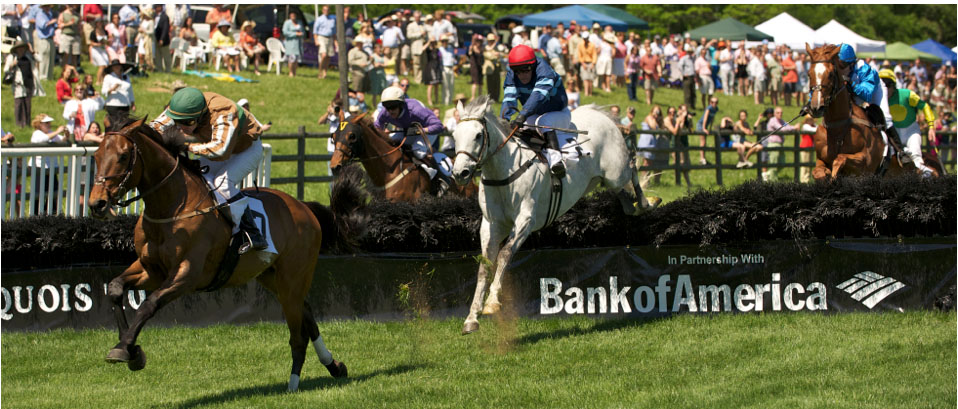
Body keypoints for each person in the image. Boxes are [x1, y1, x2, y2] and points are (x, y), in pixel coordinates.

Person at [150, 87, 267, 253]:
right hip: (216, 146)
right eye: (177, 122)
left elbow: (220, 150)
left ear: (201, 116)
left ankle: (252, 233)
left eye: (188, 123)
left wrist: (187, 146)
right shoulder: (181, 106)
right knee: (200, 181)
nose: (181, 128)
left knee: (222, 183)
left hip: (245, 149)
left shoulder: (223, 111)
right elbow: (153, 127)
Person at [500, 44, 572, 177]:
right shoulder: (512, 75)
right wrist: (504, 120)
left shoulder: (545, 71)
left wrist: (522, 115)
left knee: (543, 121)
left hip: (559, 114)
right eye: (517, 71)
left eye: (526, 69)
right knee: (520, 128)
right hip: (535, 114)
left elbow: (538, 96)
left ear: (533, 66)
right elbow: (509, 99)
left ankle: (556, 161)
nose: (522, 75)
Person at [374, 86, 453, 195]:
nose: (390, 111)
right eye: (387, 107)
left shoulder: (416, 110)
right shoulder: (385, 113)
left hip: (427, 130)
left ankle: (438, 178)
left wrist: (420, 131)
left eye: (393, 107)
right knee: (390, 144)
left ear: (401, 105)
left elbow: (438, 126)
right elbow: (377, 127)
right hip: (408, 130)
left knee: (417, 150)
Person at [836, 44, 900, 150]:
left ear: (851, 63)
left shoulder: (863, 68)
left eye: (842, 65)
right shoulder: (839, 70)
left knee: (886, 118)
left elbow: (867, 95)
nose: (839, 68)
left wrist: (852, 83)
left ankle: (901, 153)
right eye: (837, 64)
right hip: (855, 92)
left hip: (874, 91)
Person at [878, 69, 936, 178]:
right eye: (883, 84)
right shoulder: (879, 99)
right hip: (894, 133)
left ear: (894, 86)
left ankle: (926, 176)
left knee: (915, 154)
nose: (886, 88)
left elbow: (924, 106)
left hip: (911, 131)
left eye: (888, 84)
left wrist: (931, 127)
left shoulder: (907, 94)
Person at [30, 114, 67, 214]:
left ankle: (51, 213)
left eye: (49, 122)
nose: (49, 125)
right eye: (46, 123)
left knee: (54, 192)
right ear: (39, 124)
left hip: (51, 168)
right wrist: (58, 131)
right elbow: (44, 139)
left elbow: (61, 140)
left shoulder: (51, 133)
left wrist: (66, 134)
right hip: (39, 168)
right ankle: (36, 215)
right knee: (39, 193)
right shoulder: (37, 133)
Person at [5, 41, 44, 128]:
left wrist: (32, 51)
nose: (21, 50)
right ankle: (19, 123)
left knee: (27, 104)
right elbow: (6, 70)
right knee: (18, 104)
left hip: (28, 83)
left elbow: (40, 59)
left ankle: (27, 123)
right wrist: (12, 65)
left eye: (23, 48)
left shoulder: (28, 57)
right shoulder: (12, 57)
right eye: (20, 48)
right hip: (18, 84)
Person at [101, 59, 136, 127]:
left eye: (118, 66)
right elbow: (103, 91)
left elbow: (130, 91)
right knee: (114, 124)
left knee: (124, 125)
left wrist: (133, 103)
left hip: (125, 104)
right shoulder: (108, 77)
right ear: (112, 68)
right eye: (115, 66)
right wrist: (112, 89)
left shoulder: (126, 77)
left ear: (121, 67)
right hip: (113, 105)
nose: (117, 67)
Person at [763, 106, 794, 181]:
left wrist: (793, 127)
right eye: (778, 113)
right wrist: (793, 127)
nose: (780, 114)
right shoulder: (772, 121)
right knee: (774, 163)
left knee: (782, 163)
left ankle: (767, 174)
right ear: (774, 113)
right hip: (773, 144)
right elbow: (782, 129)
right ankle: (773, 181)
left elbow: (788, 126)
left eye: (781, 113)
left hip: (780, 144)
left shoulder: (782, 121)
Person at [664, 105, 692, 187]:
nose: (672, 114)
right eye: (670, 112)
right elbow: (675, 132)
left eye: (674, 112)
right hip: (673, 145)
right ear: (668, 113)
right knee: (679, 164)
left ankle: (687, 183)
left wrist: (686, 120)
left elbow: (686, 131)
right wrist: (679, 122)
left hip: (681, 145)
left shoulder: (676, 120)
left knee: (684, 165)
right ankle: (679, 183)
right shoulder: (667, 120)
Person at [637, 106, 665, 185]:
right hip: (646, 142)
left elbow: (662, 128)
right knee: (646, 163)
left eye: (658, 112)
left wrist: (660, 120)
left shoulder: (656, 120)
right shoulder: (649, 117)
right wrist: (655, 119)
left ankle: (646, 180)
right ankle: (644, 181)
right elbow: (653, 127)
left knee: (649, 163)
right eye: (655, 111)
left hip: (652, 143)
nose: (656, 114)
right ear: (651, 111)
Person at [313, 5, 335, 79]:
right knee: (323, 55)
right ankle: (320, 72)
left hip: (330, 38)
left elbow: (334, 31)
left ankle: (325, 72)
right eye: (324, 10)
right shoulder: (319, 19)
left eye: (327, 10)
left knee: (328, 56)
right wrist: (316, 40)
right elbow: (315, 31)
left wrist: (335, 41)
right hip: (321, 37)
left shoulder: (332, 19)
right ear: (322, 10)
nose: (326, 11)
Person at [482, 33, 505, 102]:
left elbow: (503, 54)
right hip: (489, 69)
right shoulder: (486, 47)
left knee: (497, 83)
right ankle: (490, 98)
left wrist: (499, 54)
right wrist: (495, 54)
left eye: (493, 40)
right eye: (490, 40)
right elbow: (489, 56)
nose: (492, 42)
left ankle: (496, 98)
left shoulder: (497, 47)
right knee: (490, 84)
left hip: (497, 68)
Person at [697, 97, 719, 165]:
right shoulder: (708, 108)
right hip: (701, 125)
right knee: (703, 142)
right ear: (710, 102)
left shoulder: (716, 109)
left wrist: (710, 127)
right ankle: (702, 158)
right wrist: (704, 128)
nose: (714, 104)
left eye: (716, 102)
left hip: (706, 126)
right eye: (712, 102)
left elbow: (712, 118)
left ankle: (703, 158)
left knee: (704, 142)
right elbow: (705, 118)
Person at [421, 36, 442, 106]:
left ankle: (436, 100)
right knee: (430, 85)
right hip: (430, 68)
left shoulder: (437, 50)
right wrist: (429, 41)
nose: (433, 44)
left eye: (434, 42)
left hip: (437, 68)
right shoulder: (428, 50)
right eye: (432, 43)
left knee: (437, 85)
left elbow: (440, 58)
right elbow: (422, 49)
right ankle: (429, 101)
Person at [282, 12, 304, 77]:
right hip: (290, 43)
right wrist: (295, 34)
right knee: (292, 58)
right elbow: (285, 32)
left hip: (298, 43)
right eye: (292, 15)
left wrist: (301, 34)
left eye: (294, 15)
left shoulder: (299, 22)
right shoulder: (287, 23)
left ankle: (294, 72)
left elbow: (303, 31)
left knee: (296, 59)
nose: (293, 16)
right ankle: (291, 72)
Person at [438, 35, 456, 105]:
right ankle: (445, 101)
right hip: (444, 68)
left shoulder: (450, 48)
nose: (445, 42)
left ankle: (450, 100)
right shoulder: (440, 49)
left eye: (446, 41)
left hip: (451, 68)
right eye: (443, 41)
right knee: (445, 86)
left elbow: (453, 58)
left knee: (451, 85)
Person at [577, 32, 597, 97]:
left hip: (591, 63)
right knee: (585, 78)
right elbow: (579, 55)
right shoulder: (580, 45)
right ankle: (586, 93)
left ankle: (590, 93)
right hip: (584, 63)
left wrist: (593, 64)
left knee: (590, 79)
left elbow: (594, 54)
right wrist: (582, 63)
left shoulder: (592, 45)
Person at [153, 4, 172, 73]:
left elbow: (165, 29)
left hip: (163, 39)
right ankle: (159, 69)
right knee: (158, 55)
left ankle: (168, 70)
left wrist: (162, 39)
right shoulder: (154, 16)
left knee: (166, 55)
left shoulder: (165, 17)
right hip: (156, 38)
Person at [468, 34, 484, 101]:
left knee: (480, 83)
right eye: (477, 41)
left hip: (480, 67)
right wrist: (473, 40)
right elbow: (470, 52)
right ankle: (473, 97)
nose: (478, 43)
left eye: (480, 41)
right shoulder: (472, 47)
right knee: (475, 82)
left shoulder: (482, 48)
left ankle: (480, 97)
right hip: (474, 68)